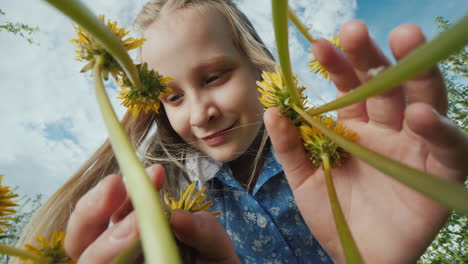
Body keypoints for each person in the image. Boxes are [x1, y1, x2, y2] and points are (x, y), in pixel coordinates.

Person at [14, 0, 468, 263]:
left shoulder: (336, 156)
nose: (200, 113)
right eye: (172, 97)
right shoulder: (167, 206)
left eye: (213, 77)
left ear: (257, 67)